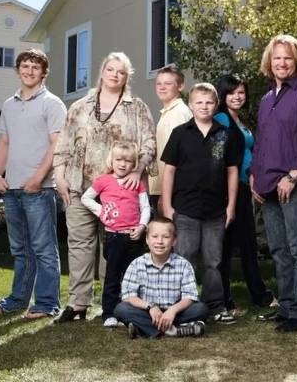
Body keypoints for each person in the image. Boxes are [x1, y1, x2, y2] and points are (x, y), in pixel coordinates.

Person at [53, 52, 156, 323]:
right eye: (110, 69)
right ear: (102, 71)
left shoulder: (137, 108)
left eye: (121, 72)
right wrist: (59, 176)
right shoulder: (80, 107)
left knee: (115, 249)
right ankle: (78, 304)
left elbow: (149, 144)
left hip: (122, 192)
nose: (115, 75)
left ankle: (114, 304)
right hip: (81, 186)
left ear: (127, 77)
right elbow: (63, 145)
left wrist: (137, 168)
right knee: (79, 245)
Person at [250, 35, 297, 333]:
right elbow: (262, 143)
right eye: (277, 57)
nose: (281, 63)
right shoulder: (267, 99)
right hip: (268, 184)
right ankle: (286, 306)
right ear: (270, 62)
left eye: (287, 58)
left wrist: (293, 176)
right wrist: (255, 175)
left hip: (295, 183)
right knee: (279, 249)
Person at [0, 48, 66, 319]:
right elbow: (5, 142)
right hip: (11, 189)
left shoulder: (53, 103)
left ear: (43, 72)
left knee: (44, 249)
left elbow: (57, 145)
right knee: (20, 249)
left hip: (39, 190)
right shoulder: (9, 104)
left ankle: (46, 303)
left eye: (35, 66)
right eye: (25, 65)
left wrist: (37, 178)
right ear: (18, 69)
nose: (29, 70)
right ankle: (18, 299)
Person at [161, 82, 241, 325]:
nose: (204, 106)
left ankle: (215, 306)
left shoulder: (224, 135)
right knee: (183, 257)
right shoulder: (180, 133)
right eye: (199, 102)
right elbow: (169, 171)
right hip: (184, 208)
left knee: (213, 261)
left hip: (216, 211)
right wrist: (166, 205)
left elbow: (232, 172)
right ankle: (177, 305)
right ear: (191, 105)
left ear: (216, 105)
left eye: (209, 102)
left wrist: (231, 207)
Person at [214, 74, 276, 314]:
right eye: (232, 93)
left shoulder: (238, 119)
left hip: (243, 189)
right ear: (223, 95)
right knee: (228, 246)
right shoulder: (221, 119)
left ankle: (256, 295)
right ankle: (226, 299)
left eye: (241, 92)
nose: (238, 97)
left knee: (245, 243)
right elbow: (222, 157)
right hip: (229, 191)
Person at [81, 141, 151, 327]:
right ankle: (109, 314)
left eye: (128, 161)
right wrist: (102, 211)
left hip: (133, 237)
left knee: (134, 277)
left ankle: (133, 314)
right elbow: (85, 198)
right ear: (111, 160)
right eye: (118, 159)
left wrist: (142, 226)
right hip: (113, 237)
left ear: (134, 164)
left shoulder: (137, 182)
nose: (122, 164)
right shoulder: (103, 180)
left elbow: (145, 207)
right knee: (112, 276)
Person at [114, 216, 209, 339]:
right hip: (147, 312)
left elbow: (190, 296)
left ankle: (143, 328)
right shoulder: (137, 264)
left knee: (201, 309)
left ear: (174, 240)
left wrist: (172, 311)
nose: (159, 241)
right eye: (154, 236)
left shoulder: (183, 264)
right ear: (147, 239)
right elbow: (128, 296)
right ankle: (174, 330)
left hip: (175, 312)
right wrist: (150, 307)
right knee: (121, 309)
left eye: (165, 237)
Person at [149, 66, 192, 212]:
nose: (161, 88)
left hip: (171, 192)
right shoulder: (168, 112)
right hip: (162, 189)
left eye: (167, 84)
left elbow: (179, 157)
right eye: (159, 84)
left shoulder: (179, 114)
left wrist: (165, 196)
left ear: (180, 86)